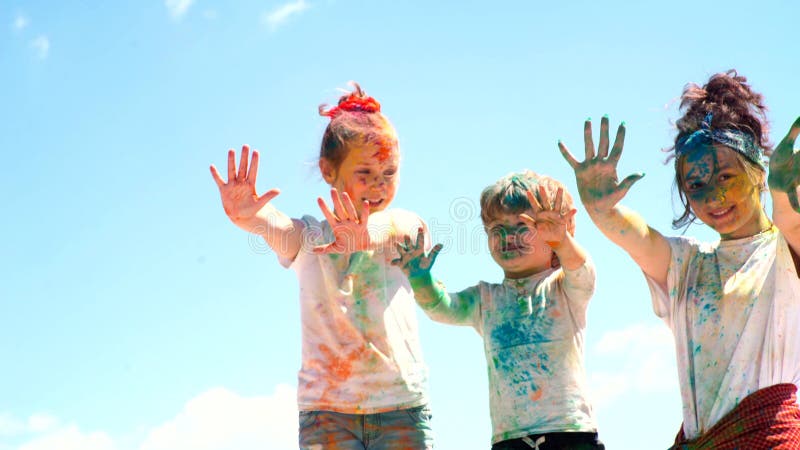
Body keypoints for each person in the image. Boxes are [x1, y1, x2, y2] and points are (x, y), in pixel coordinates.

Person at [558, 70, 800, 449]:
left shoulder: (784, 252)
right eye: (696, 185)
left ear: (757, 173)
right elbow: (636, 237)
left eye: (726, 176)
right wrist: (602, 210)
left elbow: (792, 224)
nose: (714, 197)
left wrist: (784, 194)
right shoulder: (688, 264)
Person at [210, 83, 434, 450]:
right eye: (365, 172)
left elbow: (402, 228)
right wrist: (250, 216)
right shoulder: (310, 241)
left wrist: (363, 236)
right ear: (329, 171)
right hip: (327, 413)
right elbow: (278, 227)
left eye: (389, 172)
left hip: (401, 409)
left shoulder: (401, 228)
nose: (379, 184)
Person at [393, 170, 604, 450]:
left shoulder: (564, 288)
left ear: (554, 231)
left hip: (570, 432)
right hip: (510, 439)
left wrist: (563, 242)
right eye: (497, 228)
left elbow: (583, 271)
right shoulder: (486, 299)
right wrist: (421, 280)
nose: (508, 235)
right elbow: (443, 308)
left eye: (522, 225)